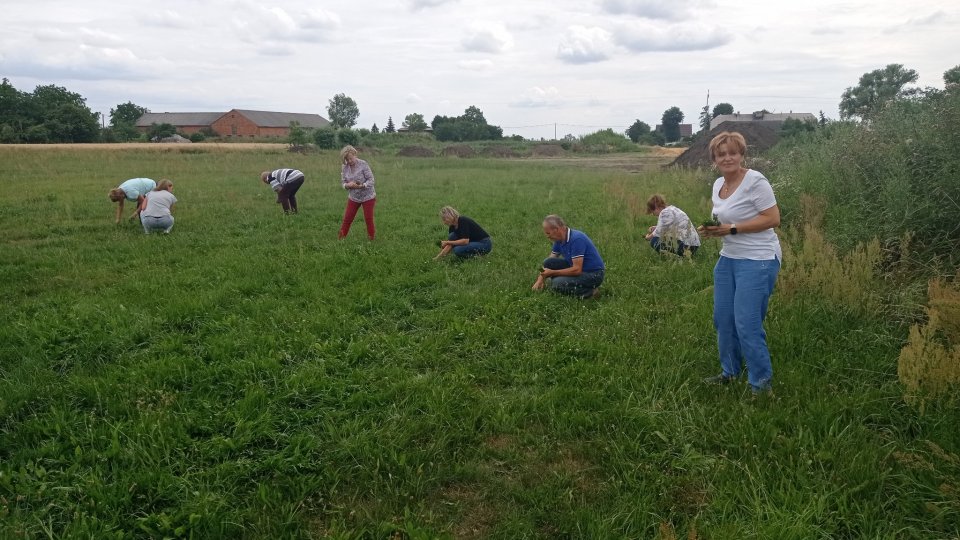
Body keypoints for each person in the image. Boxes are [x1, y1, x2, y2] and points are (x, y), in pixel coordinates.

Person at [699, 131, 782, 395]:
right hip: (729, 258)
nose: (728, 158)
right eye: (721, 154)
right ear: (714, 158)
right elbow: (724, 219)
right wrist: (714, 230)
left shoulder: (755, 181)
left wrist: (732, 229)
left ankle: (760, 384)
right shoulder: (718, 185)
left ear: (742, 154)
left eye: (733, 152)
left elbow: (772, 218)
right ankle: (730, 371)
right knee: (723, 318)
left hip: (758, 259)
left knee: (747, 322)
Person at [532, 215, 604, 299]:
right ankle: (568, 281)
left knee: (556, 283)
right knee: (548, 261)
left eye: (548, 233)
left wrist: (552, 273)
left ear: (556, 230)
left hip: (593, 274)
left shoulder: (577, 239)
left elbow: (577, 270)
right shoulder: (559, 240)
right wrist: (540, 280)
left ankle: (590, 292)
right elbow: (549, 261)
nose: (547, 236)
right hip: (577, 268)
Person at [338, 145, 376, 240]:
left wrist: (362, 185)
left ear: (355, 154)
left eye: (351, 158)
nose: (349, 161)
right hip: (354, 197)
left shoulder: (363, 164)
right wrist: (348, 185)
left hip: (368, 196)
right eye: (347, 159)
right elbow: (343, 183)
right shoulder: (344, 167)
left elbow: (371, 180)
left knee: (368, 219)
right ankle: (340, 240)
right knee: (347, 219)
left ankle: (371, 240)